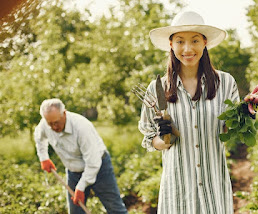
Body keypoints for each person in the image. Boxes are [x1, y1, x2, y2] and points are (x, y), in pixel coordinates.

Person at [138, 10, 240, 213]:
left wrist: (245, 115)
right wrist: (163, 138)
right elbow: (151, 140)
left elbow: (230, 131)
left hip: (214, 189)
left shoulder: (225, 83)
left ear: (204, 43)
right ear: (171, 44)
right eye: (180, 41)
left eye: (194, 41)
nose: (187, 49)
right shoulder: (157, 89)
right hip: (178, 191)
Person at [34, 98, 127, 214]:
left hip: (99, 169)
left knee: (115, 209)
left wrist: (81, 187)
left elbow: (93, 163)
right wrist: (44, 158)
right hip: (74, 172)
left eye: (56, 122)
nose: (54, 127)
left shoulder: (81, 127)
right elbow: (39, 137)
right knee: (75, 211)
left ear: (64, 113)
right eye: (50, 124)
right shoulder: (45, 124)